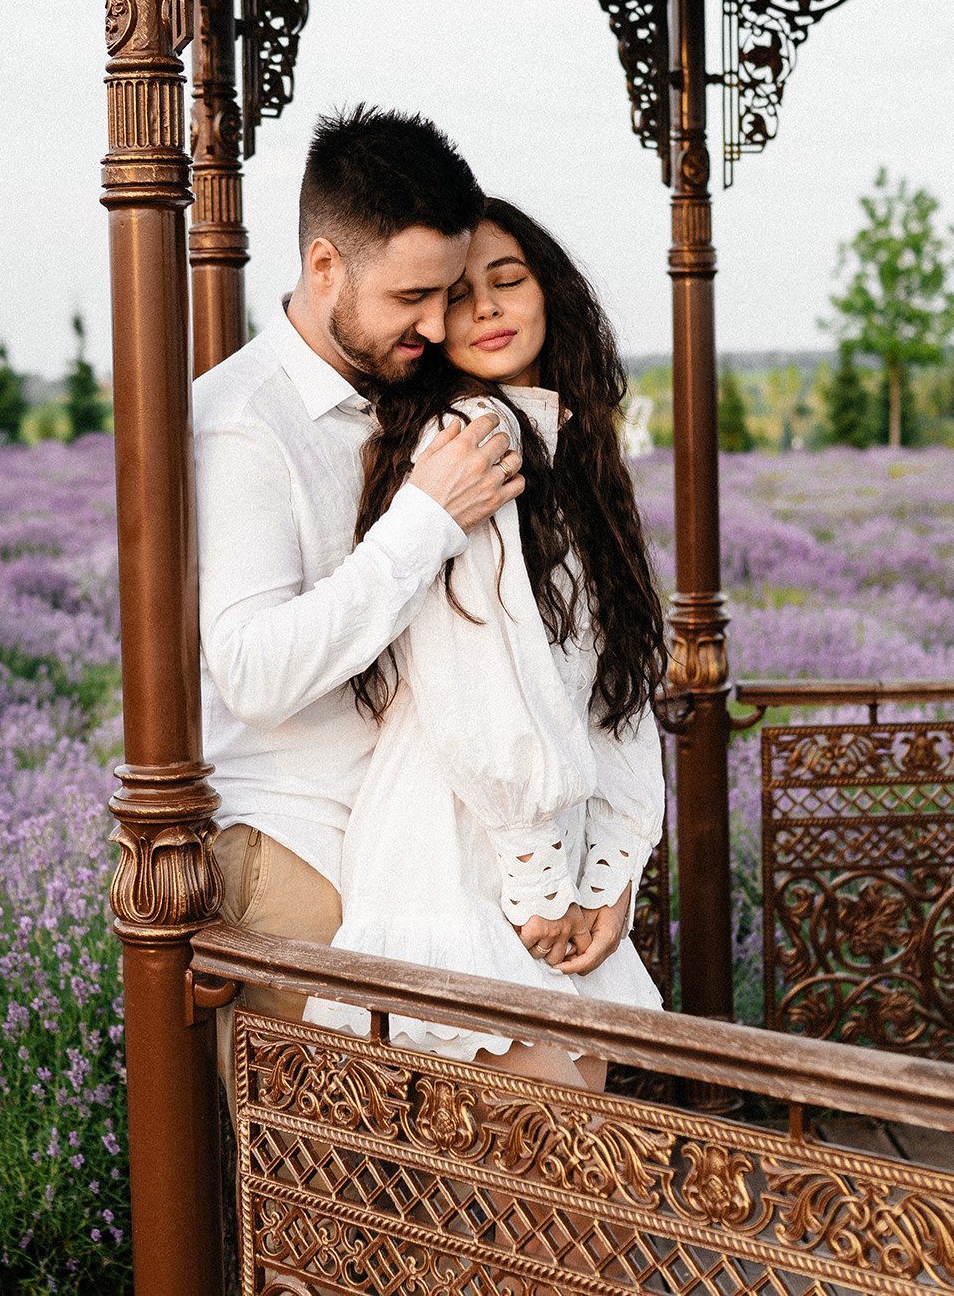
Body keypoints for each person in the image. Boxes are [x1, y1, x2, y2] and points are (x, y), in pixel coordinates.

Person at [307, 199, 669, 1089]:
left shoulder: (572, 451)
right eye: (459, 297)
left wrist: (613, 869)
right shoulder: (469, 436)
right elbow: (472, 680)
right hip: (462, 844)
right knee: (553, 1181)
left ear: (551, 293)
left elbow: (613, 690)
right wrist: (542, 879)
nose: (490, 310)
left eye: (508, 281)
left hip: (553, 853)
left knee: (559, 1190)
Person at [194, 106, 525, 1022]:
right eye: (410, 297)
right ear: (325, 265)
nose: (434, 322)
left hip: (415, 854)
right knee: (319, 1165)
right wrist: (424, 519)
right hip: (302, 852)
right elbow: (255, 671)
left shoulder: (402, 393)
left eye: (446, 293)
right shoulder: (243, 425)